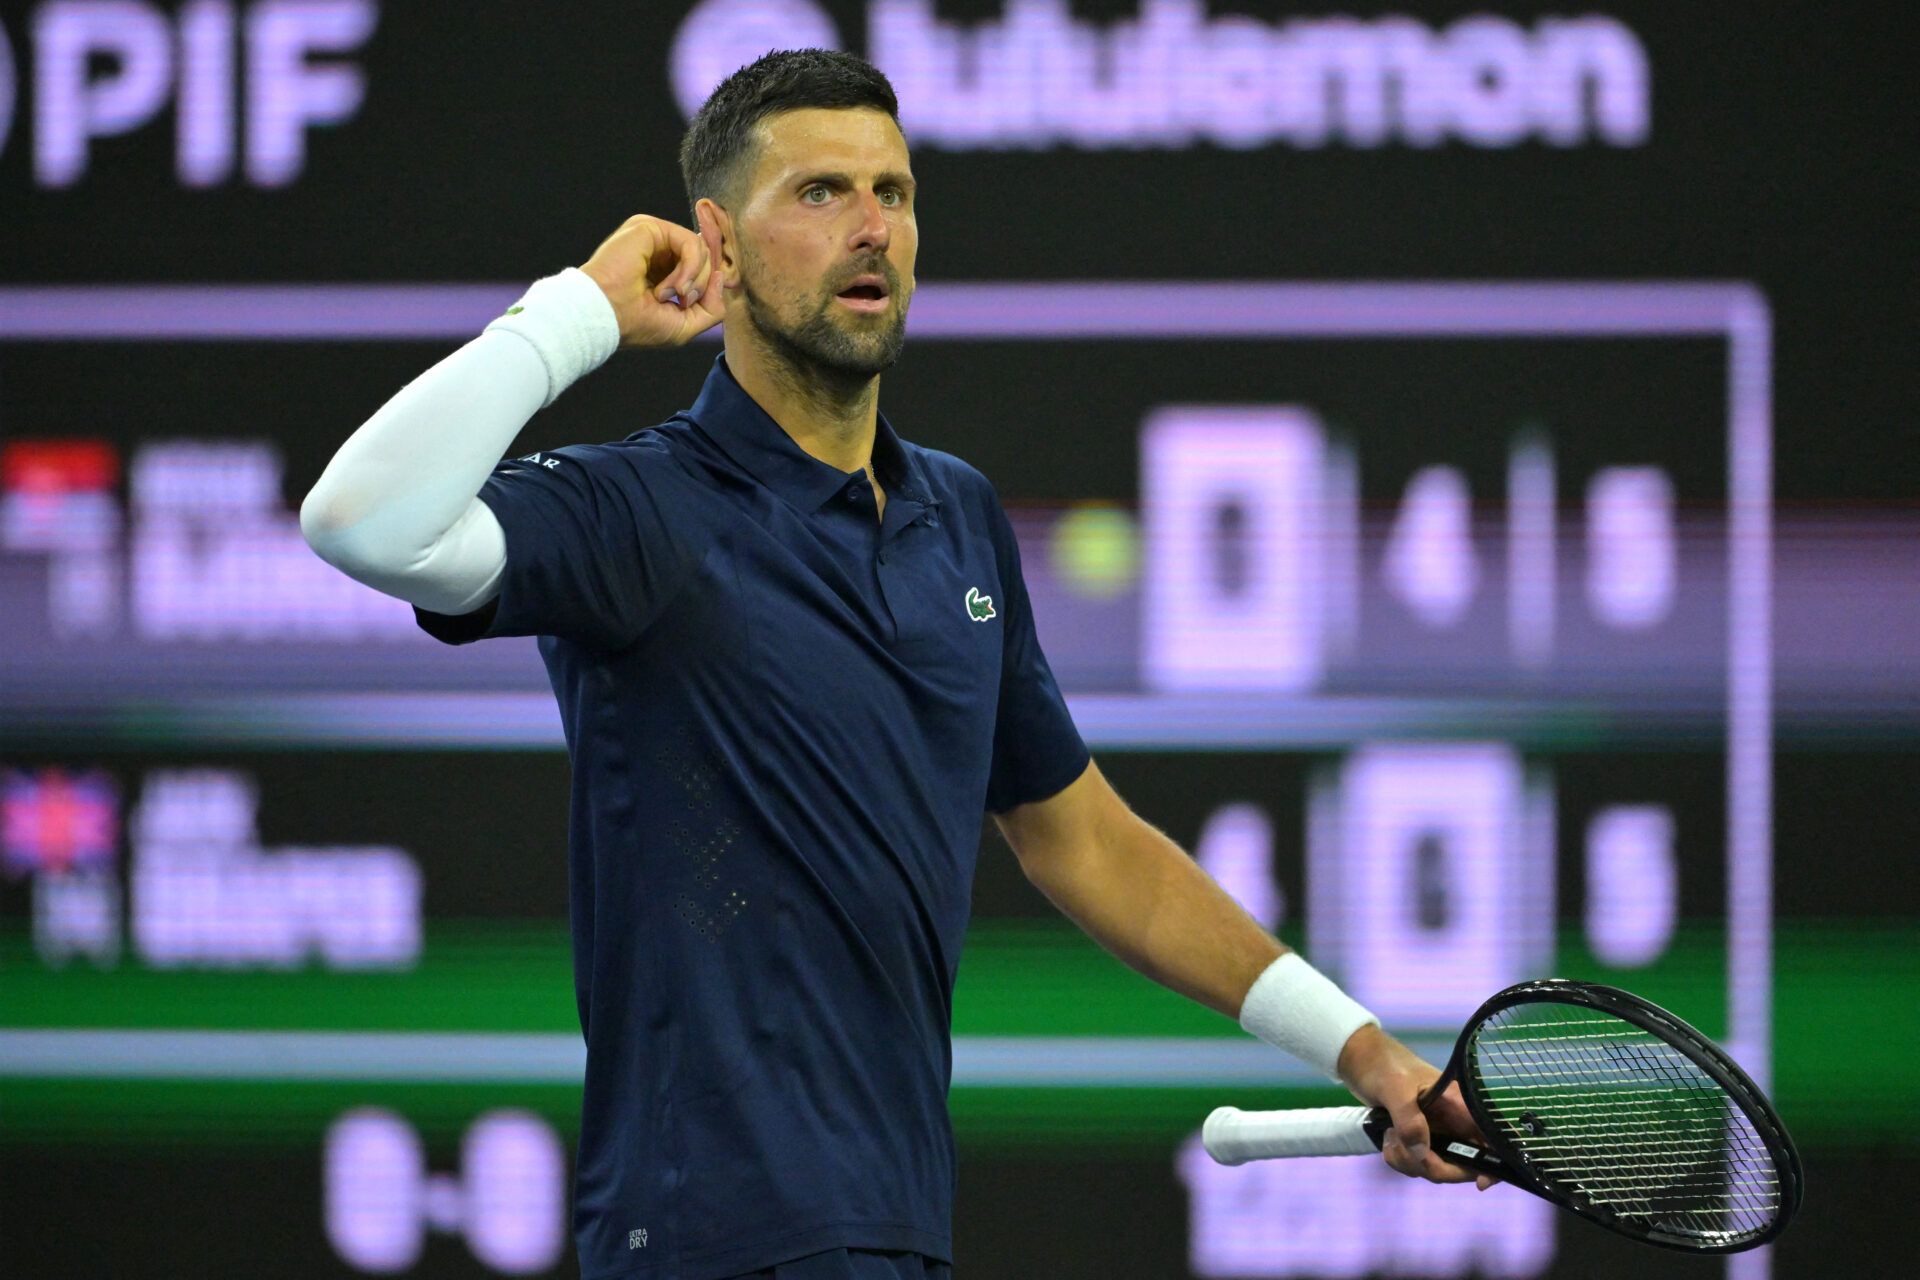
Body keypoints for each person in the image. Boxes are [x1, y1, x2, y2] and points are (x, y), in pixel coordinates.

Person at [300, 47, 1487, 1280]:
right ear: (716, 243)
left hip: (898, 1231)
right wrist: (580, 312)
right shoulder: (641, 512)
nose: (873, 229)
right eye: (820, 194)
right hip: (705, 1241)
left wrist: (1364, 1049)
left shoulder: (958, 519)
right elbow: (362, 521)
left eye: (895, 192)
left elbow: (1087, 840)